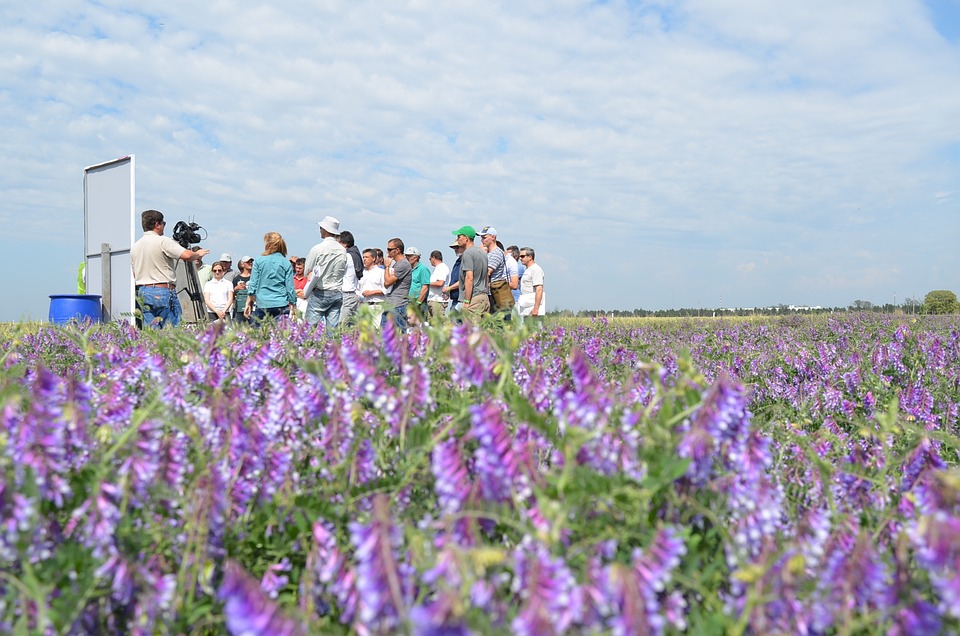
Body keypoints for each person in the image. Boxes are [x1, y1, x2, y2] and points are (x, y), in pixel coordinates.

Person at [131, 209, 209, 328]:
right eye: (163, 223)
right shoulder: (163, 241)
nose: (163, 227)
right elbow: (187, 256)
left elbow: (135, 274)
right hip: (162, 290)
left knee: (151, 331)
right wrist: (198, 254)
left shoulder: (135, 246)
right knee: (171, 330)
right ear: (157, 224)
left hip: (143, 291)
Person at [304, 216, 348, 329]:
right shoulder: (342, 250)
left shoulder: (318, 248)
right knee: (332, 331)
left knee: (308, 329)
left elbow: (307, 271)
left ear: (325, 230)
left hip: (321, 292)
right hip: (337, 291)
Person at [244, 232, 296, 321]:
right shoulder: (285, 262)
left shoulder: (258, 260)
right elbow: (290, 287)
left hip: (262, 303)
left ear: (268, 244)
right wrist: (293, 305)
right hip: (281, 304)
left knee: (260, 333)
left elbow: (253, 285)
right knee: (281, 333)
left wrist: (248, 303)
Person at [452, 225, 489, 321]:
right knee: (482, 332)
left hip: (474, 298)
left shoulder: (468, 253)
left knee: (471, 332)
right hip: (484, 297)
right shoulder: (482, 253)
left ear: (466, 238)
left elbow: (469, 278)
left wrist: (467, 301)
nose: (457, 239)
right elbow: (486, 277)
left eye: (459, 237)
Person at [479, 226, 514, 313]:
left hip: (494, 293)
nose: (482, 240)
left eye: (484, 237)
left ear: (493, 237)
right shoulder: (490, 253)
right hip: (492, 292)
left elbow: (487, 273)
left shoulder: (496, 253)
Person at [382, 237, 411, 330]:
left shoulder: (403, 264)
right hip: (391, 304)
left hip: (398, 305)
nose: (387, 252)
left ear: (398, 250)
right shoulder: (397, 264)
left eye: (390, 249)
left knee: (398, 337)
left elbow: (387, 283)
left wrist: (386, 267)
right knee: (384, 335)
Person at [339, 230, 363, 326]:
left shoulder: (347, 256)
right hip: (353, 295)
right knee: (351, 328)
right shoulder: (355, 254)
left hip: (346, 295)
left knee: (342, 326)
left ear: (345, 244)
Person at [357, 248, 387, 320]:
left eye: (366, 257)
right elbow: (357, 288)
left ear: (373, 259)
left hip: (376, 306)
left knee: (377, 330)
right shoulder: (361, 273)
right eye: (363, 257)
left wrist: (372, 293)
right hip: (363, 306)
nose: (364, 259)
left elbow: (386, 290)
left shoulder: (381, 272)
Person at [517, 247, 545, 321]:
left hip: (532, 306)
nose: (520, 258)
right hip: (527, 305)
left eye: (522, 256)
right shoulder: (528, 270)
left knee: (533, 330)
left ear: (530, 257)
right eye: (520, 256)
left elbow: (539, 289)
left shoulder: (535, 269)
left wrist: (536, 308)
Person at [405, 247, 431, 325]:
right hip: (409, 302)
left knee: (420, 326)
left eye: (409, 256)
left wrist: (418, 303)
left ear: (416, 257)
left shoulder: (423, 269)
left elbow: (425, 287)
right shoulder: (409, 269)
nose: (407, 258)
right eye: (406, 256)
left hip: (419, 303)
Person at [426, 250, 450, 321]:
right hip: (433, 299)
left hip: (438, 301)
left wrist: (427, 283)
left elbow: (440, 283)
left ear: (433, 257)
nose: (430, 261)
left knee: (438, 324)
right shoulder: (437, 269)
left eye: (430, 259)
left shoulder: (442, 268)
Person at [233, 256, 254, 323]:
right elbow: (231, 296)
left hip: (253, 309)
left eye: (251, 262)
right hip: (239, 309)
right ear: (242, 264)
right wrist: (236, 288)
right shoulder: (236, 279)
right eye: (248, 262)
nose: (250, 263)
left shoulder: (255, 278)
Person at [443, 241, 463, 314]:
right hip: (455, 299)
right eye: (454, 248)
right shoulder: (458, 261)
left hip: (462, 300)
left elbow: (464, 280)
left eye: (457, 247)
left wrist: (449, 288)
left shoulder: (465, 261)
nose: (455, 249)